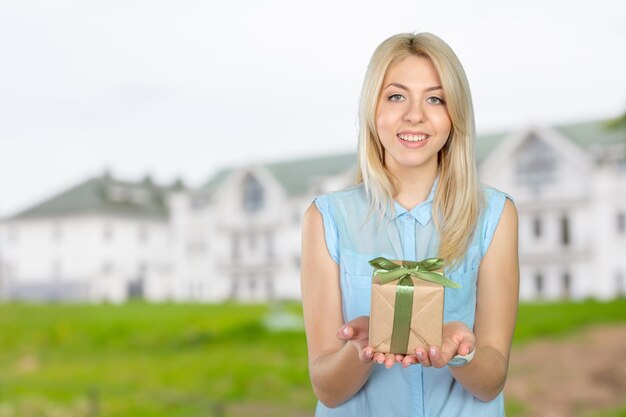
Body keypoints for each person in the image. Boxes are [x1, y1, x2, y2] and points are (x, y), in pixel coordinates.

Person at [300, 32, 519, 417]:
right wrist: (361, 350)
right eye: (396, 96)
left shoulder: (495, 214)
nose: (415, 114)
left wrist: (460, 352)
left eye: (435, 98)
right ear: (373, 109)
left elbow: (492, 381)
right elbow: (327, 390)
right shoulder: (326, 218)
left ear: (455, 115)